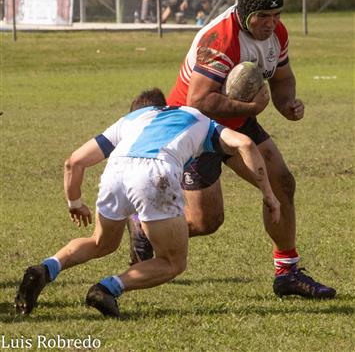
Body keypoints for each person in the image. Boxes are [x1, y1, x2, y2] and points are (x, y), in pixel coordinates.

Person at [129, 0, 337, 299]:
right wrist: (252, 105)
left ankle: (287, 272)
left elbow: (283, 78)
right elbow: (199, 101)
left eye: (277, 15)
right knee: (206, 221)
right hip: (193, 126)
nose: (272, 23)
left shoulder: (276, 35)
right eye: (264, 17)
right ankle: (144, 227)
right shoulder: (220, 39)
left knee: (282, 183)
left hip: (237, 119)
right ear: (244, 11)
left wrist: (288, 104)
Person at [15, 88, 281, 318]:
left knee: (101, 242)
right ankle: (107, 289)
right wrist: (268, 193)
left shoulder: (131, 120)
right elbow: (245, 143)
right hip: (157, 172)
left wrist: (75, 201)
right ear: (163, 105)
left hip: (115, 170)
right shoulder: (199, 118)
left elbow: (74, 162)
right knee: (172, 262)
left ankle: (44, 269)